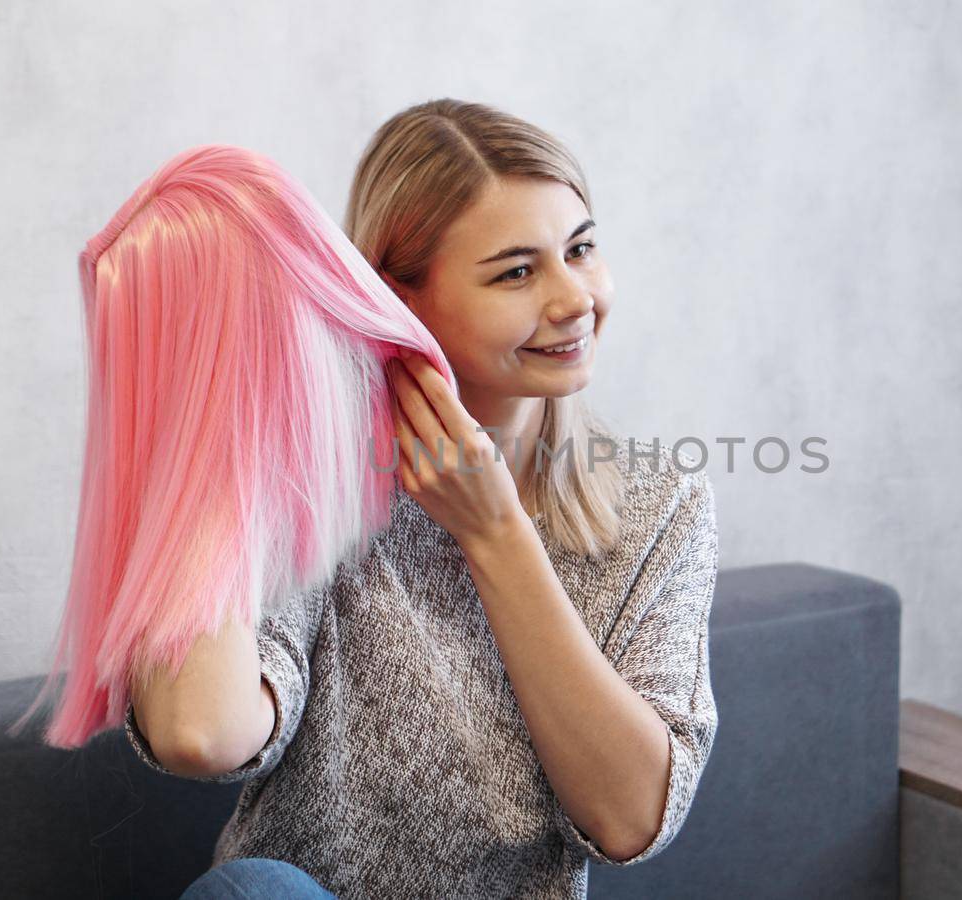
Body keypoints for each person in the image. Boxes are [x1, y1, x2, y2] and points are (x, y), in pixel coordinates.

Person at [128, 99, 721, 900]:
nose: (574, 298)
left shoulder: (662, 505)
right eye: (517, 271)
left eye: (581, 250)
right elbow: (198, 732)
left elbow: (630, 818)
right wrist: (231, 410)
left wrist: (495, 531)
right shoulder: (318, 482)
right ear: (397, 300)